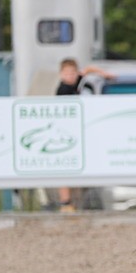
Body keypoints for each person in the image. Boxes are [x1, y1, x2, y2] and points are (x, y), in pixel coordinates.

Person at [54, 58, 114, 211]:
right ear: (61, 75)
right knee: (63, 167)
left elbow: (88, 69)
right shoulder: (63, 90)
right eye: (67, 74)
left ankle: (74, 201)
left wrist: (105, 74)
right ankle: (65, 203)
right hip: (66, 133)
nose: (71, 76)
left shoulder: (77, 80)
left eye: (73, 73)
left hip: (78, 132)